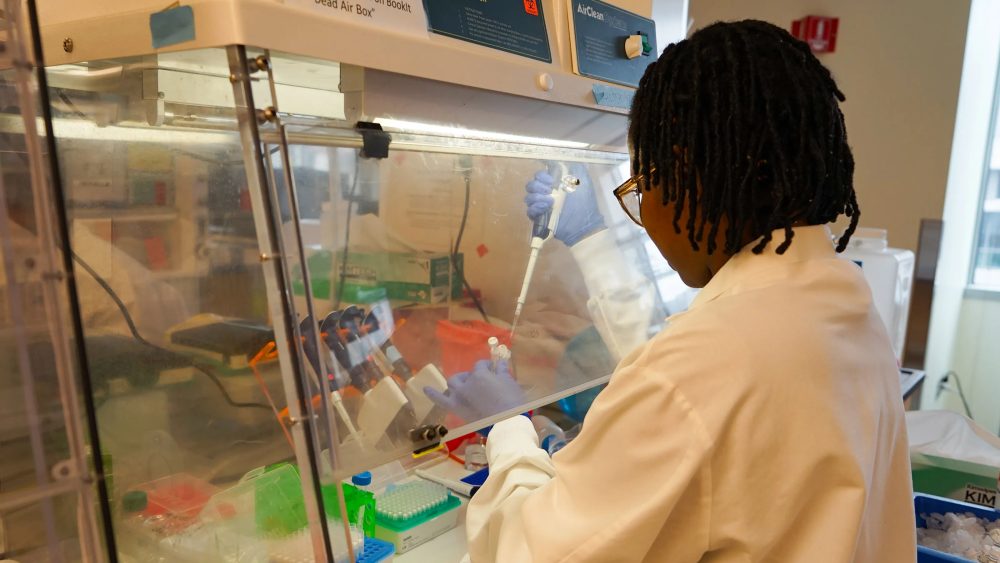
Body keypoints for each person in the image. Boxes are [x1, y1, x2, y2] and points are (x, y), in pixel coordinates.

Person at [465, 19, 916, 562]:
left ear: (684, 177)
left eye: (641, 186)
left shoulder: (706, 366)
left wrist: (508, 432)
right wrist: (591, 243)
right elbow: (694, 385)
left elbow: (529, 552)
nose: (646, 216)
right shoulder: (844, 301)